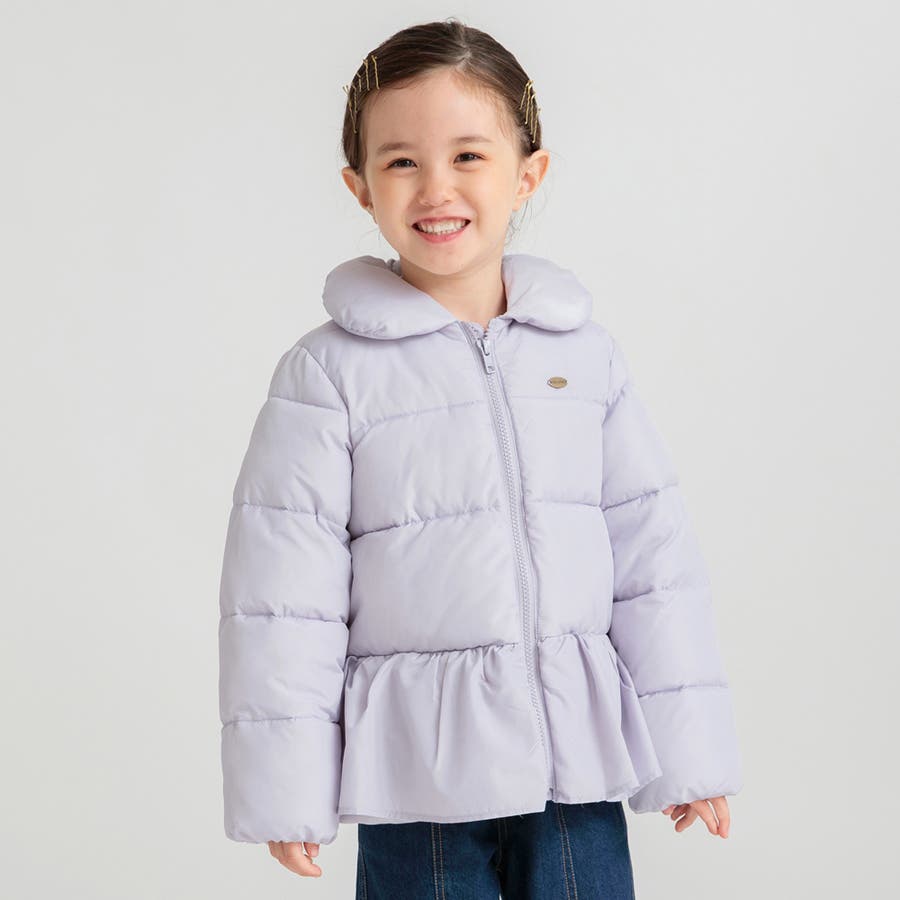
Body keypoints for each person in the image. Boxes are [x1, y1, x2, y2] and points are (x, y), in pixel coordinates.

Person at [217, 17, 743, 899]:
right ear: (359, 187)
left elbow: (653, 563)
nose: (436, 188)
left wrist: (689, 751)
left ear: (527, 173)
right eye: (401, 161)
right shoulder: (328, 373)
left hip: (574, 769)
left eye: (468, 155)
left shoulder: (584, 357)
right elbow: (282, 597)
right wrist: (286, 789)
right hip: (417, 779)